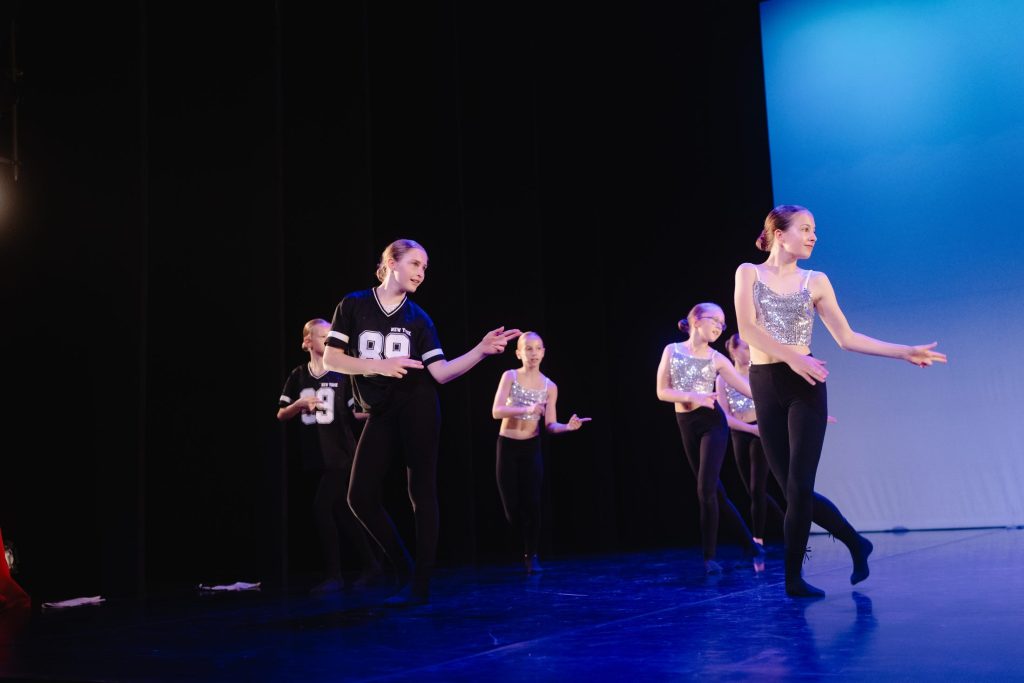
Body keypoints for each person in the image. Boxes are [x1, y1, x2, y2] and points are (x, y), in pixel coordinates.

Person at [734, 204, 946, 597]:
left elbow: (847, 338)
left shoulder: (816, 281)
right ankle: (855, 542)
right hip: (766, 383)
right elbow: (747, 329)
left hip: (807, 385)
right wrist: (792, 356)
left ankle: (792, 580)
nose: (813, 236)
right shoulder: (749, 272)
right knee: (792, 491)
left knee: (800, 487)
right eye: (805, 228)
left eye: (814, 230)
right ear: (779, 234)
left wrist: (904, 351)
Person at [323, 239, 519, 606]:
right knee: (359, 496)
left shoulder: (419, 318)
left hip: (418, 404)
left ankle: (421, 586)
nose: (421, 273)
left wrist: (480, 351)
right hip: (381, 410)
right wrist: (378, 366)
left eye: (425, 268)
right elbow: (332, 360)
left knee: (421, 491)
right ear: (391, 263)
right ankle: (405, 570)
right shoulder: (353, 305)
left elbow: (441, 373)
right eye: (415, 264)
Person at [656, 304, 766, 574]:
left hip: (712, 424)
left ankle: (709, 557)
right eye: (714, 320)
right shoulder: (672, 350)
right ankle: (751, 546)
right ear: (695, 320)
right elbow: (662, 391)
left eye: (722, 323)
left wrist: (789, 402)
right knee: (716, 492)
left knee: (705, 490)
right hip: (686, 424)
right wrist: (693, 396)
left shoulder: (717, 359)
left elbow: (750, 391)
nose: (719, 326)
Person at [277, 318, 381, 594]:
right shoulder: (299, 375)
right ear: (307, 342)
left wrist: (381, 409)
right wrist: (299, 404)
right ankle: (372, 565)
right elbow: (282, 414)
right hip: (319, 455)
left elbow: (356, 412)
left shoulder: (340, 375)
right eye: (323, 336)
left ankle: (335, 575)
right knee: (344, 512)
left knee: (322, 508)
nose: (328, 340)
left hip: (342, 455)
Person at [490, 331, 591, 573]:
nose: (533, 353)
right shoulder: (510, 376)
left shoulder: (549, 386)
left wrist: (567, 427)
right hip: (507, 445)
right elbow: (496, 411)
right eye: (528, 348)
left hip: (531, 447)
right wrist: (525, 408)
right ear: (519, 353)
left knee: (533, 503)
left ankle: (531, 554)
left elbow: (550, 425)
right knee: (511, 507)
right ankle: (516, 549)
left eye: (537, 348)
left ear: (543, 352)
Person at [716, 333, 786, 553]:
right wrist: (749, 429)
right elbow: (725, 416)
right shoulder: (723, 379)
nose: (749, 352)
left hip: (762, 432)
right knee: (754, 492)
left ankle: (758, 539)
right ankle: (787, 526)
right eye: (745, 348)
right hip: (741, 433)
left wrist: (759, 429)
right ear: (733, 350)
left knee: (757, 488)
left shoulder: (758, 373)